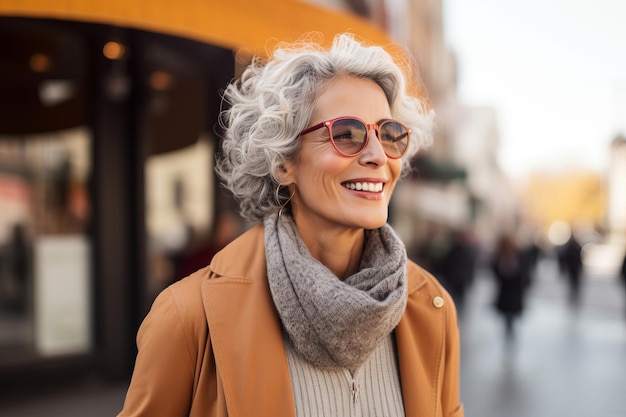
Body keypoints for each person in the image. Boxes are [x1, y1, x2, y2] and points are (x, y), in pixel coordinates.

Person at [118, 33, 464, 417]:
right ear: (284, 162)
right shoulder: (187, 318)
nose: (377, 155)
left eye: (389, 134)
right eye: (347, 134)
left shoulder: (431, 309)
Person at [490, 234, 530, 344]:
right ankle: (509, 333)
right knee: (507, 318)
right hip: (506, 293)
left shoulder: (519, 256)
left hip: (514, 293)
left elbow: (524, 275)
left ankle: (510, 333)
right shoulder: (499, 258)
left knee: (511, 317)